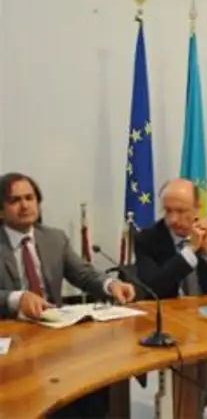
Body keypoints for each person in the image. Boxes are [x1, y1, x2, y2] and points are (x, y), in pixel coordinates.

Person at [0, 172, 136, 418]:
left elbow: (84, 274)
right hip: (10, 343)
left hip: (52, 338)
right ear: (1, 210)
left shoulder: (54, 238)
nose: (25, 205)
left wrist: (110, 285)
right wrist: (16, 298)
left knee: (96, 382)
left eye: (29, 198)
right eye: (15, 200)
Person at [134, 178, 207, 415]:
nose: (173, 219)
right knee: (197, 364)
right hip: (170, 322)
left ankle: (190, 409)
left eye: (181, 211)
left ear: (196, 209)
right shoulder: (147, 239)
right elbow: (155, 286)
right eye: (168, 211)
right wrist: (190, 251)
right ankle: (189, 410)